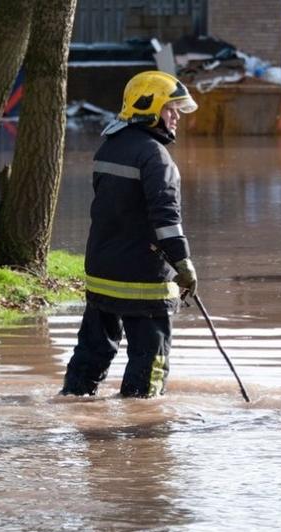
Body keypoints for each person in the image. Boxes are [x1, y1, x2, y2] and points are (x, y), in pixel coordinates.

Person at [60, 71, 199, 398]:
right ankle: (143, 427)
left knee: (92, 351)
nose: (176, 116)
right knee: (150, 359)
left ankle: (72, 402)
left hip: (102, 273)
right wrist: (183, 263)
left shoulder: (109, 147)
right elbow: (166, 220)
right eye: (170, 108)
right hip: (144, 279)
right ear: (150, 108)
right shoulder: (156, 156)